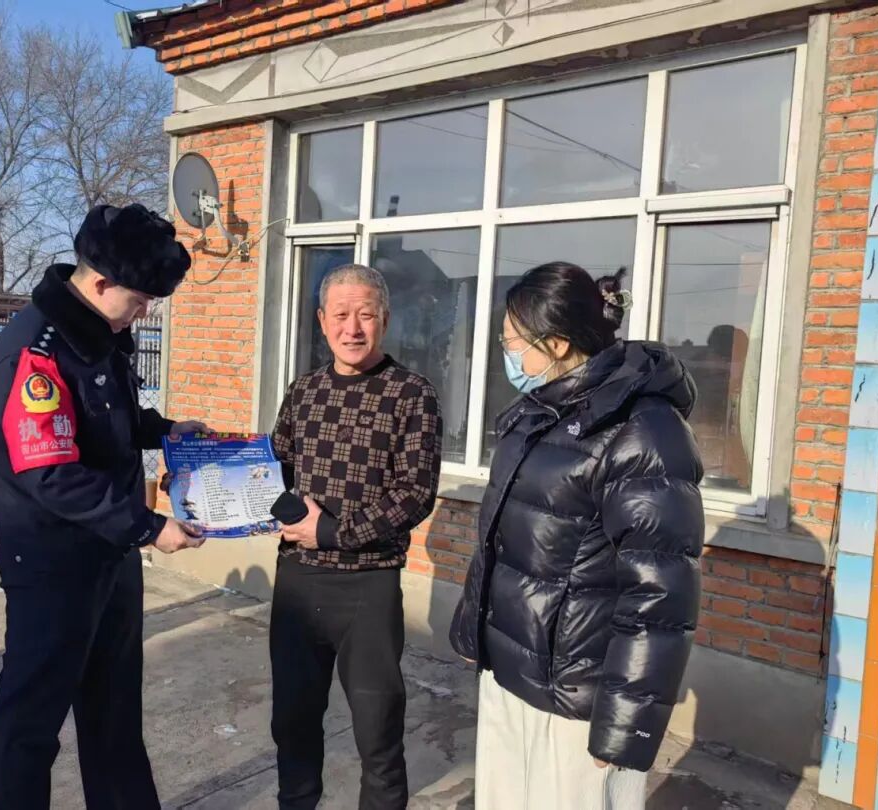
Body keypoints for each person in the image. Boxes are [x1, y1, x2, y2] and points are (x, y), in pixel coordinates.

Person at [449, 262, 704, 810]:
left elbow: (659, 596)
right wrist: (475, 633)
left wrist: (625, 725)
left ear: (558, 343)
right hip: (512, 674)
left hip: (577, 698)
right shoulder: (538, 411)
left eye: (511, 341)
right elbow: (498, 540)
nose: (506, 353)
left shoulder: (642, 432)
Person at [0, 203, 208, 810]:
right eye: (140, 300)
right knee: (30, 722)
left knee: (113, 712)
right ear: (101, 283)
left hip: (109, 553)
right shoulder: (35, 353)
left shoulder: (101, 336)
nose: (145, 312)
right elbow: (51, 473)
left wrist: (166, 430)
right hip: (54, 564)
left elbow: (110, 419)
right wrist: (150, 527)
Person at [270, 264, 443, 810]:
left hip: (368, 586)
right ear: (322, 320)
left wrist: (330, 532)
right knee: (292, 723)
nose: (352, 328)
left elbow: (414, 494)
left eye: (365, 315)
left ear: (384, 320)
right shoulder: (304, 391)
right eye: (341, 315)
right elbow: (274, 470)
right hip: (298, 583)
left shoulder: (412, 394)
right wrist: (202, 486)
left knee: (378, 730)